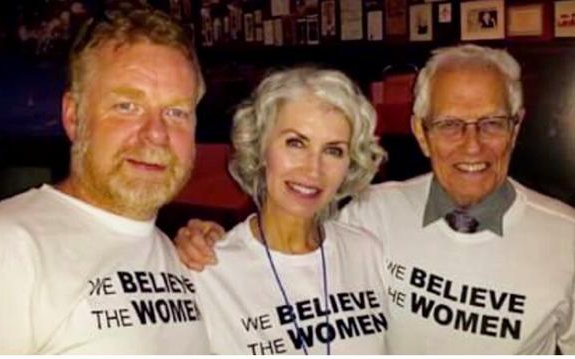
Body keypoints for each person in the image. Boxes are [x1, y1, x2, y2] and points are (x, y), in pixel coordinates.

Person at [175, 44, 575, 354]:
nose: (472, 145)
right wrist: (203, 241)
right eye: (449, 124)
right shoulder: (372, 215)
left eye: (491, 123)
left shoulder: (567, 240)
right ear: (421, 132)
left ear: (516, 127)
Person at [0, 5, 209, 354]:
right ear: (74, 116)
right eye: (127, 106)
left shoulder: (188, 260)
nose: (157, 135)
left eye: (176, 112)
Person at [189, 67, 389, 354]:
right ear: (260, 147)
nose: (313, 169)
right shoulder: (209, 270)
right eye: (296, 143)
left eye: (333, 150)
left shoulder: (367, 253)